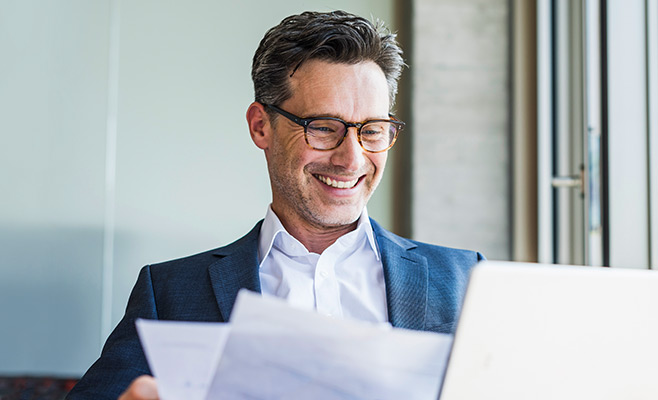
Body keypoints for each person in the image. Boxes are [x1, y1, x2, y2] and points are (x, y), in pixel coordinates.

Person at [67, 10, 482, 400]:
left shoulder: (468, 279)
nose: (352, 159)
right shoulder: (172, 293)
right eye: (323, 127)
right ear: (260, 125)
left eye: (372, 131)